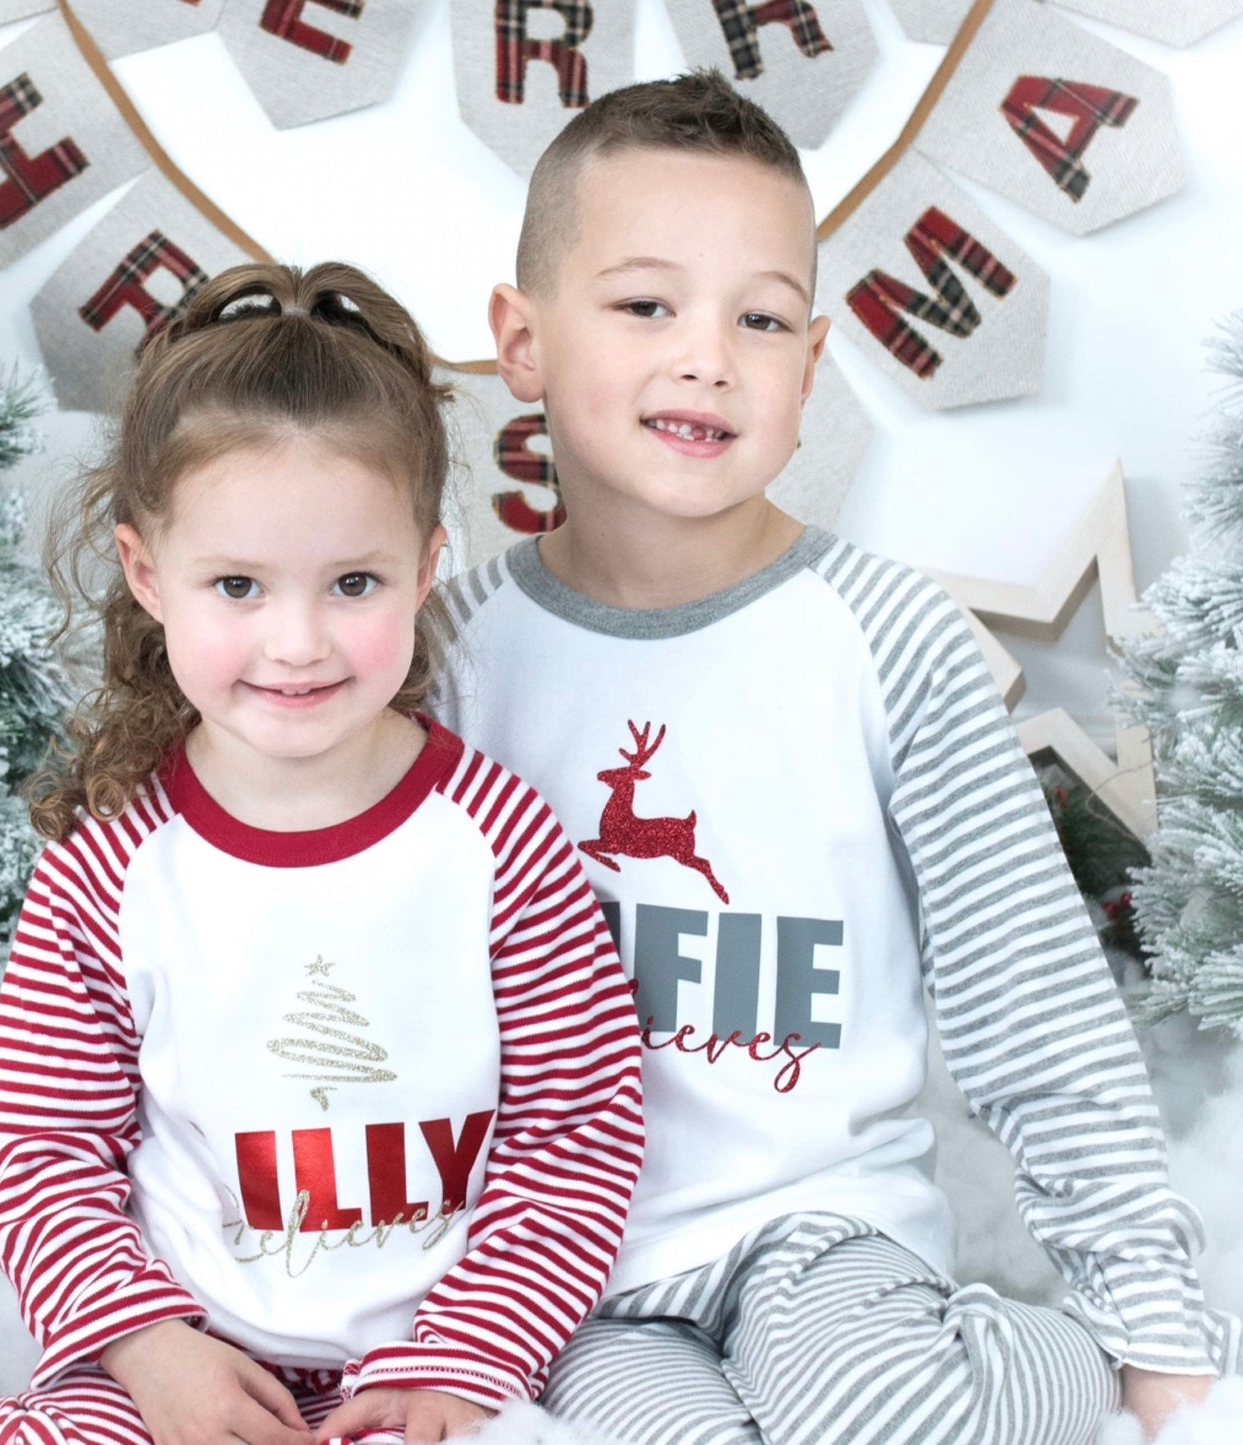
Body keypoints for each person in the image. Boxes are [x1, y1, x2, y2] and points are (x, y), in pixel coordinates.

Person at [431, 71, 1240, 1445]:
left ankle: (1035, 1359)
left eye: (757, 319)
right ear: (521, 341)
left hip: (826, 1234)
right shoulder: (439, 653)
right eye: (645, 305)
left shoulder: (887, 637)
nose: (706, 357)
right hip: (568, 1270)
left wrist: (1158, 1349)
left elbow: (1030, 1004)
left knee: (888, 1417)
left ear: (809, 369)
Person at [0, 261, 644, 1445]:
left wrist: (465, 1359)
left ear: (425, 564)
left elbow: (578, 1133)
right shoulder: (114, 868)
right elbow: (35, 1144)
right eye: (236, 585)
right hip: (178, 1366)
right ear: (150, 576)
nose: (294, 642)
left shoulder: (499, 843)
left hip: (424, 1379)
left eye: (352, 583)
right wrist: (148, 1347)